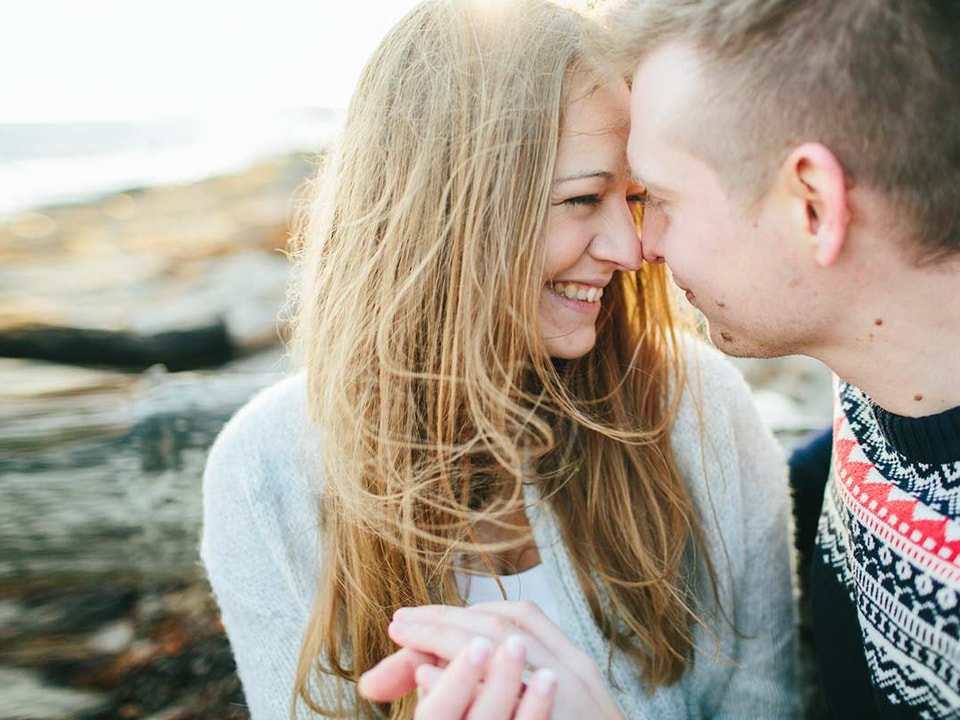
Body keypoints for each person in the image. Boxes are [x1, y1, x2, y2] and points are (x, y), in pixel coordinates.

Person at [362, 0, 960, 717]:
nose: (641, 249)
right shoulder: (868, 413)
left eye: (659, 197)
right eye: (591, 197)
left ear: (812, 206)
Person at [201, 0, 798, 718]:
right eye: (582, 198)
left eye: (636, 198)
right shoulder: (266, 472)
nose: (631, 249)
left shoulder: (696, 407)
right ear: (453, 209)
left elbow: (765, 702)